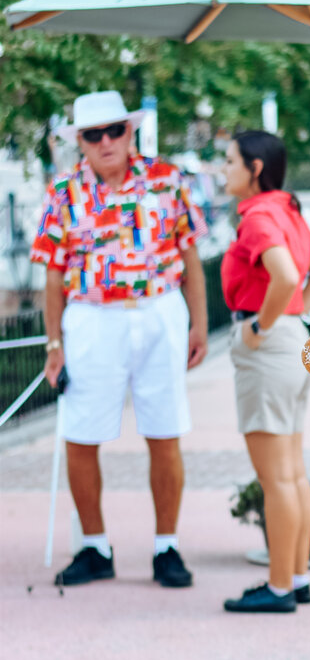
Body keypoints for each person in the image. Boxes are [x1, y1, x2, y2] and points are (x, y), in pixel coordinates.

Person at [32, 89, 208, 587]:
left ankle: (166, 547)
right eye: (94, 134)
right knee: (81, 433)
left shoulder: (166, 178)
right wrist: (53, 344)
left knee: (165, 429)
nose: (107, 141)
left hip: (158, 310)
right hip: (91, 318)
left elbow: (191, 255)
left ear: (130, 131)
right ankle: (94, 547)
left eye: (115, 130)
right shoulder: (62, 192)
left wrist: (197, 323)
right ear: (79, 142)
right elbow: (51, 274)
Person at [220, 131, 310, 613]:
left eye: (228, 161)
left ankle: (278, 587)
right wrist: (292, 314)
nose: (222, 169)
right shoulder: (286, 210)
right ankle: (297, 578)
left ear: (254, 168)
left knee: (276, 479)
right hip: (291, 342)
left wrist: (260, 327)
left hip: (268, 346)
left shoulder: (259, 216)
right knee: (291, 474)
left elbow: (288, 275)